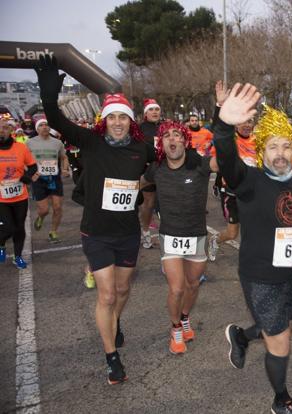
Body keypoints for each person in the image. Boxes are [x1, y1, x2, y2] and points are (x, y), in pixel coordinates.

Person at [215, 85, 292, 414]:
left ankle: (241, 336)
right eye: (273, 147)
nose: (280, 153)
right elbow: (226, 159)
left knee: (284, 324)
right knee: (280, 339)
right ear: (262, 150)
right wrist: (223, 124)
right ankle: (280, 399)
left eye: (286, 146)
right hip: (259, 274)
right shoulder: (249, 179)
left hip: (290, 270)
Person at [35, 55, 155, 385]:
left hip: (128, 233)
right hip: (97, 233)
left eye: (123, 117)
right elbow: (57, 119)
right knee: (106, 295)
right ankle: (112, 358)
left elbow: (163, 162)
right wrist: (48, 94)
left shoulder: (142, 149)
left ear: (131, 121)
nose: (118, 122)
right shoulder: (91, 141)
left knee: (123, 288)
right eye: (112, 116)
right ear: (105, 119)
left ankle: (114, 322)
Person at [143, 121, 211, 354]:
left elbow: (225, 163)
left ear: (184, 140)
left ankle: (184, 318)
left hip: (197, 236)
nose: (172, 139)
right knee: (177, 289)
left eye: (176, 135)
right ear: (161, 143)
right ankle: (175, 329)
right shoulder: (156, 168)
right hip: (170, 236)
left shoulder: (199, 165)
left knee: (192, 285)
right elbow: (138, 183)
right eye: (167, 136)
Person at [208, 81, 255, 262]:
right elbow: (217, 130)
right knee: (232, 233)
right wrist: (220, 106)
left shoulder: (258, 141)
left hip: (251, 192)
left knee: (256, 227)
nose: (246, 124)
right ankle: (216, 240)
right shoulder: (230, 139)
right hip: (231, 193)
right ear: (235, 124)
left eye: (249, 121)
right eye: (242, 121)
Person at [0, 118, 37, 269]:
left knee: (20, 228)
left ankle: (18, 256)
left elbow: (33, 167)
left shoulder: (21, 148)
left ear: (10, 130)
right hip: (1, 198)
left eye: (5, 128)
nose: (1, 130)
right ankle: (1, 244)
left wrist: (26, 178)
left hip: (20, 196)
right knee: (10, 227)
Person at [27, 118, 70, 243]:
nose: (45, 127)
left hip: (54, 178)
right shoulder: (30, 143)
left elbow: (64, 157)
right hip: (39, 179)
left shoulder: (57, 143)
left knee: (57, 207)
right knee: (44, 209)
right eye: (41, 125)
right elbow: (24, 160)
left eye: (46, 125)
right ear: (37, 129)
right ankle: (40, 217)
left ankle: (53, 232)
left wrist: (65, 168)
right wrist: (29, 174)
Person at [139, 98, 161, 249]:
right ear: (145, 113)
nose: (155, 112)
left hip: (166, 169)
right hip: (147, 169)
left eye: (157, 109)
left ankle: (169, 235)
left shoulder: (165, 126)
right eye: (151, 110)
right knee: (149, 203)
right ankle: (145, 232)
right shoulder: (139, 128)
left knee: (167, 202)